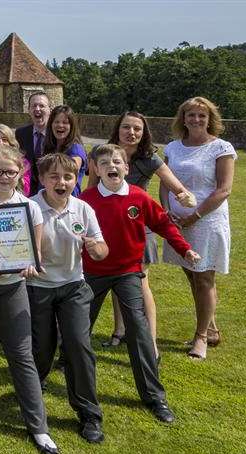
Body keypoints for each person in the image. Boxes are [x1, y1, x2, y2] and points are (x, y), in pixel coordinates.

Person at [81, 144, 200, 423]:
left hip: (127, 273)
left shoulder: (139, 197)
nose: (112, 165)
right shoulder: (85, 200)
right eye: (105, 162)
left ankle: (154, 396)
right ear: (96, 169)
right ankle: (63, 366)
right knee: (77, 327)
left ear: (126, 168)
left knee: (139, 327)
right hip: (92, 273)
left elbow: (164, 225)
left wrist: (184, 249)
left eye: (118, 161)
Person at [0, 145, 59, 454]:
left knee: (21, 353)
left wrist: (32, 264)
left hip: (14, 284)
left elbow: (36, 252)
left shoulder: (29, 208)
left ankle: (38, 425)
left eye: (11, 171)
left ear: (21, 173)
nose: (4, 177)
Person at [88, 111, 193, 353]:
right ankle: (119, 331)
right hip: (109, 226)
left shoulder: (150, 158)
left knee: (140, 283)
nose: (131, 132)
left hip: (138, 227)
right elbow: (92, 188)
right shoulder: (103, 154)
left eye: (137, 128)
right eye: (126, 127)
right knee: (116, 279)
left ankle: (150, 343)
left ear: (144, 133)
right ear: (118, 129)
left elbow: (174, 184)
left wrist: (184, 196)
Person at [27, 154, 108, 443]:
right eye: (54, 176)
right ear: (42, 179)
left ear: (76, 180)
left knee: (78, 345)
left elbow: (101, 248)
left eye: (68, 177)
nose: (61, 182)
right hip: (39, 288)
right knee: (41, 350)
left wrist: (96, 249)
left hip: (74, 286)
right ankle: (31, 400)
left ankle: (89, 414)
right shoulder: (30, 207)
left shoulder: (83, 209)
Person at [161, 97, 237, 360]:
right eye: (191, 115)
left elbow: (224, 189)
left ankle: (201, 337)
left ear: (210, 119)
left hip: (206, 222)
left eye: (201, 116)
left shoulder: (220, 148)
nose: (196, 120)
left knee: (204, 278)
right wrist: (166, 211)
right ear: (183, 118)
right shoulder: (173, 147)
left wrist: (195, 215)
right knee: (191, 276)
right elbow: (165, 182)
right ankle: (212, 328)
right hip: (178, 223)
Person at [42, 105, 87, 191]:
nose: (60, 125)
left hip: (64, 197)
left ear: (72, 126)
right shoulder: (50, 146)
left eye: (65, 122)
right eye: (56, 122)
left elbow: (68, 175)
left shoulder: (76, 150)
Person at [15, 91, 52, 187]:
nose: (37, 109)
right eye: (34, 106)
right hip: (27, 188)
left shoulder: (57, 134)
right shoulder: (21, 133)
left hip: (50, 187)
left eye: (42, 106)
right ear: (28, 110)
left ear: (49, 110)